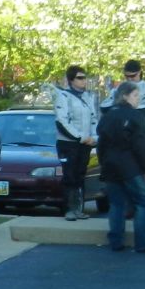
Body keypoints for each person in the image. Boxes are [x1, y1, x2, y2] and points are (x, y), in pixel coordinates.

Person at [97, 81, 145, 253]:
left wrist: (104, 164)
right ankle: (142, 244)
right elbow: (140, 146)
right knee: (143, 203)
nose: (138, 99)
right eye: (135, 95)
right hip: (131, 166)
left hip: (110, 166)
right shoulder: (136, 116)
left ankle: (116, 242)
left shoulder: (107, 116)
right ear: (125, 96)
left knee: (116, 204)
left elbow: (101, 145)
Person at [53, 65, 98, 222]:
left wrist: (94, 137)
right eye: (80, 78)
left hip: (85, 144)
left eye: (84, 77)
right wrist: (80, 137)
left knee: (80, 175)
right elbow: (62, 121)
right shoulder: (63, 96)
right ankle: (69, 209)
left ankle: (79, 209)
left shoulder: (88, 97)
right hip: (68, 144)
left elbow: (93, 119)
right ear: (71, 80)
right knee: (69, 175)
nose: (83, 80)